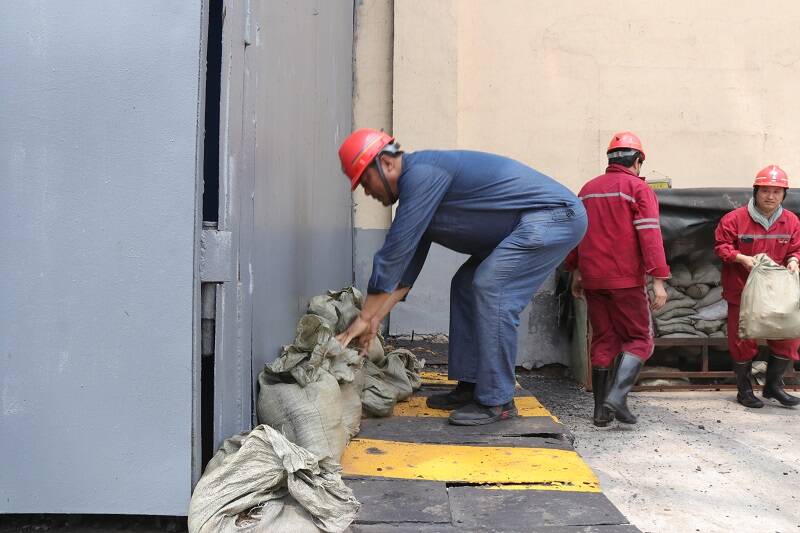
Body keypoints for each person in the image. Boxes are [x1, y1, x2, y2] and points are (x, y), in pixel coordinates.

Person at [334, 128, 587, 425]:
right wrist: (375, 319)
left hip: (554, 215)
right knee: (466, 285)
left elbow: (393, 254)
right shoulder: (418, 194)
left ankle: (497, 400)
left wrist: (364, 317)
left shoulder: (422, 175)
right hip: (521, 226)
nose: (367, 192)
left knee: (491, 286)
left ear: (387, 164)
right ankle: (473, 383)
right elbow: (403, 272)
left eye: (366, 182)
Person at [566, 132, 670, 426]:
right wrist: (659, 279)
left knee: (604, 339)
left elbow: (576, 234)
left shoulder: (587, 190)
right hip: (625, 281)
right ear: (637, 161)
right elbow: (650, 235)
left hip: (593, 280)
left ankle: (601, 412)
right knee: (640, 340)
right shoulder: (637, 188)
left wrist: (575, 271)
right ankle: (617, 397)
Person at [714, 164, 800, 408]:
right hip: (742, 291)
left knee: (787, 337)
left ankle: (773, 387)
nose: (770, 196)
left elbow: (796, 249)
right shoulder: (734, 219)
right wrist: (740, 258)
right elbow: (721, 246)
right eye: (765, 191)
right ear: (755, 191)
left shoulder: (791, 221)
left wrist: (794, 261)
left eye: (777, 191)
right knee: (743, 339)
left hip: (777, 293)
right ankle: (744, 390)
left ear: (784, 194)